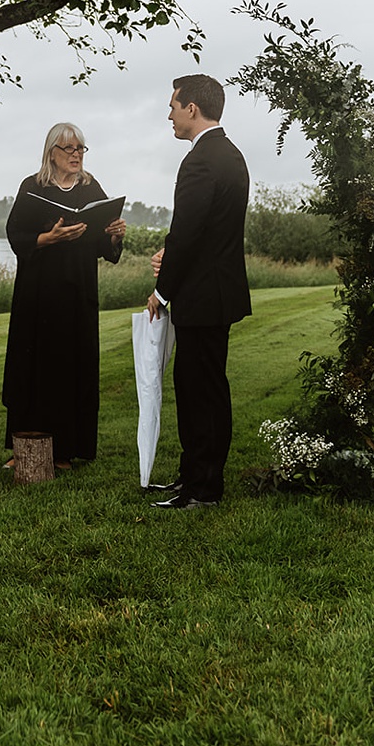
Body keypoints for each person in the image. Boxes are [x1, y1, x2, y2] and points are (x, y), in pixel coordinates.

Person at [146, 73, 251, 510]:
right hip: (218, 292)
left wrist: (162, 290)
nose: (169, 113)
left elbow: (188, 233)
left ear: (192, 108)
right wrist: (169, 250)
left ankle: (202, 490)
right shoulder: (230, 154)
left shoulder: (201, 160)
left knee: (199, 392)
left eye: (173, 105)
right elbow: (203, 232)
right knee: (204, 389)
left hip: (202, 297)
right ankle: (195, 478)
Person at [2, 123, 126, 470]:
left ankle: (65, 451)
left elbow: (104, 244)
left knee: (71, 367)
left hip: (78, 290)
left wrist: (114, 236)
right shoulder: (33, 187)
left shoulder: (91, 187)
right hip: (38, 293)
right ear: (51, 153)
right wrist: (48, 238)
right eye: (68, 149)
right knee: (33, 367)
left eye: (80, 149)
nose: (75, 155)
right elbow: (16, 236)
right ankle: (23, 448)